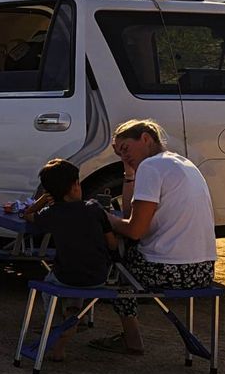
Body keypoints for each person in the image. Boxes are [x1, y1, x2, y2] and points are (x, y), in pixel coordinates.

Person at [92, 118, 217, 356]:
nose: (124, 156)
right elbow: (130, 215)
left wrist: (104, 218)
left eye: (126, 148)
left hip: (168, 270)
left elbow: (134, 230)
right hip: (202, 271)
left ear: (145, 138)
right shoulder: (182, 163)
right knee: (124, 255)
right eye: (119, 153)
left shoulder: (152, 167)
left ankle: (127, 336)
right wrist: (129, 172)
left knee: (116, 262)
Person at [22, 158, 118, 359]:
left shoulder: (52, 214)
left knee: (50, 286)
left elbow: (28, 215)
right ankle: (73, 314)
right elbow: (112, 244)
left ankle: (58, 322)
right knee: (79, 276)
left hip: (66, 276)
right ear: (75, 186)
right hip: (98, 276)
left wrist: (42, 200)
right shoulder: (95, 209)